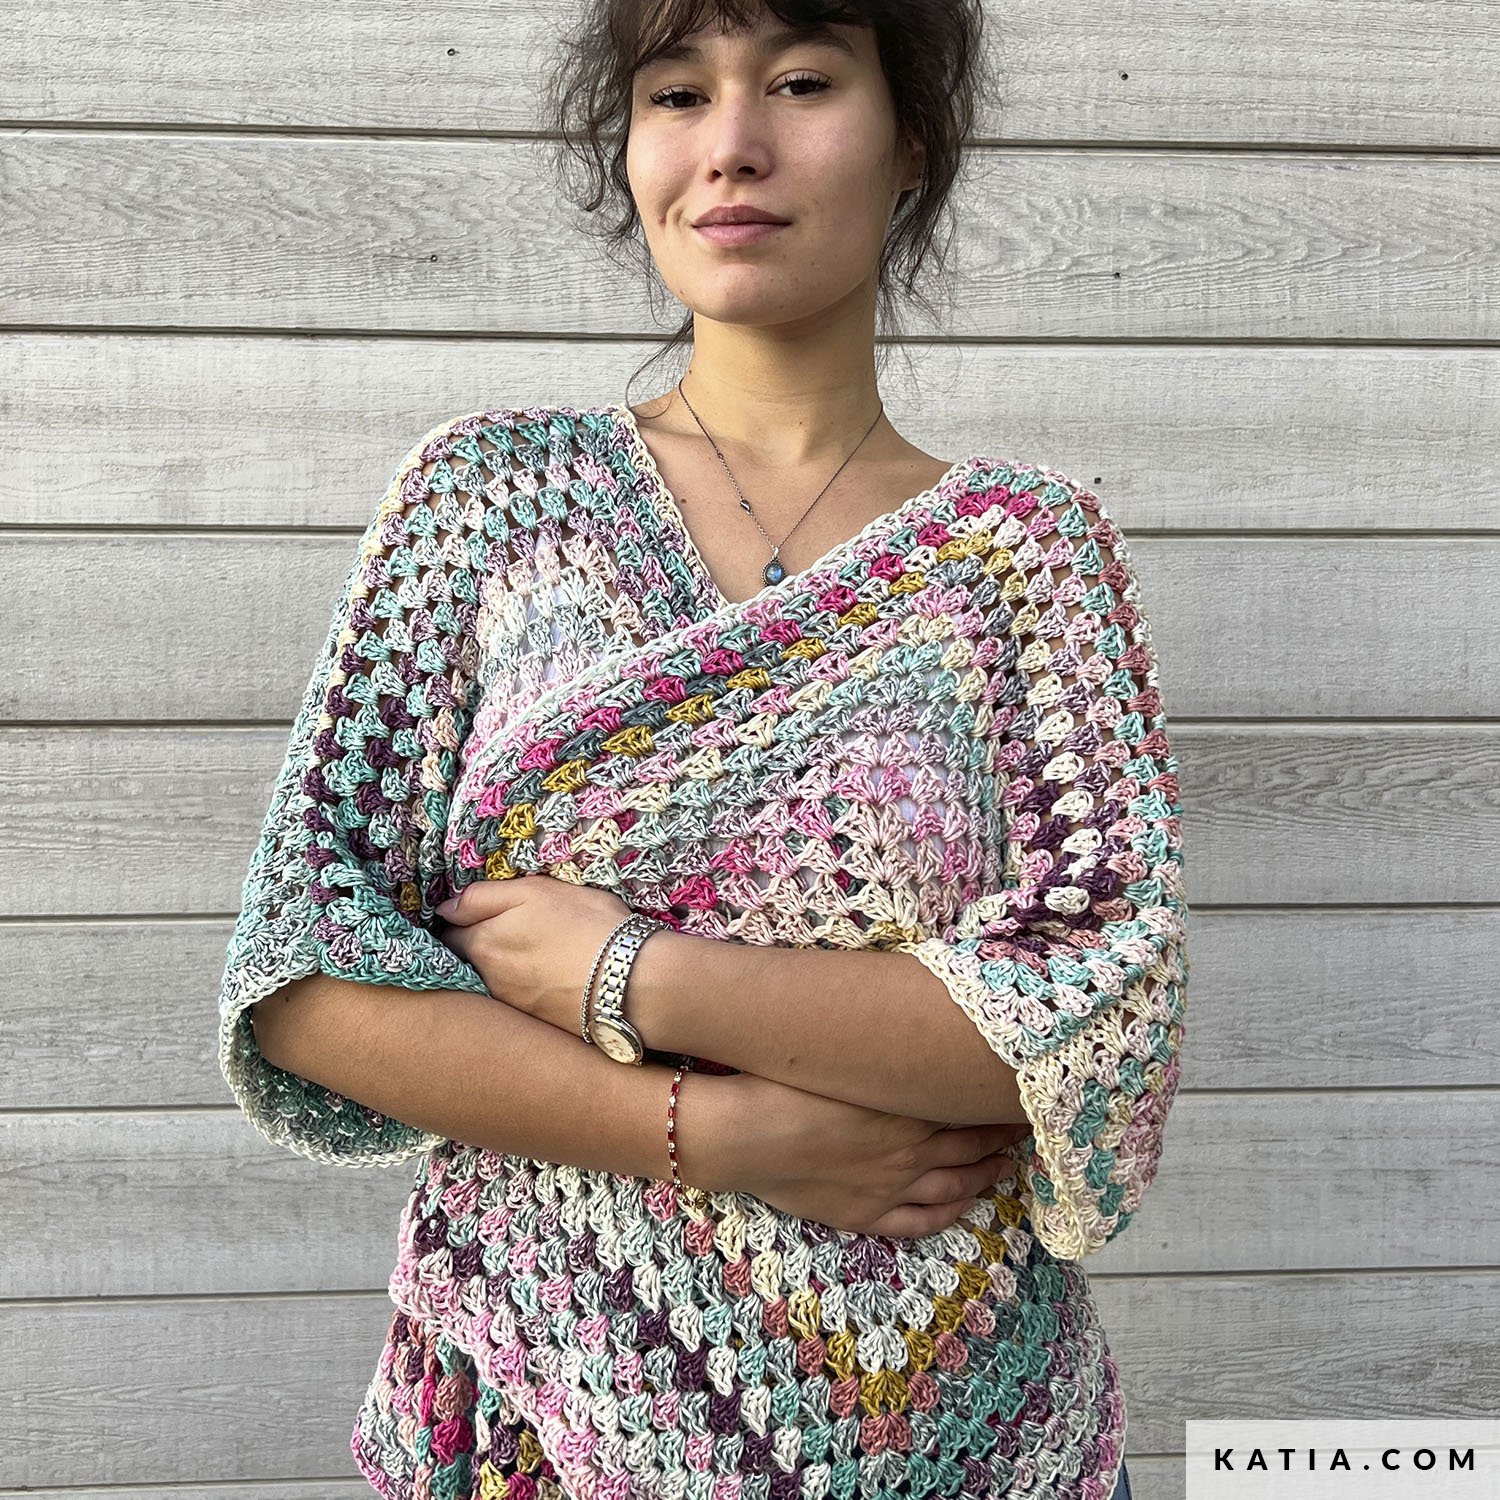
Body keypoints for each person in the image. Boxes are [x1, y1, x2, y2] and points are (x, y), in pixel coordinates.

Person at [217, 3, 1185, 1496]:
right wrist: (712, 1133)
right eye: (677, 93)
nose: (732, 144)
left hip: (970, 1417)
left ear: (909, 143)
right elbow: (306, 983)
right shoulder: (493, 501)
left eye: (799, 81)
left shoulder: (1023, 557)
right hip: (556, 1403)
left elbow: (1100, 1013)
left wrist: (631, 974)